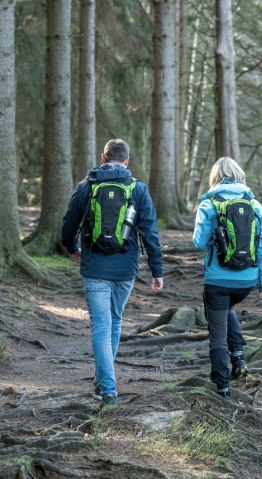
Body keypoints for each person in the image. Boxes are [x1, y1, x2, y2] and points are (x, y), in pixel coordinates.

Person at [61, 139, 163, 407]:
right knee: (114, 322)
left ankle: (107, 389)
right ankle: (105, 383)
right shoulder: (137, 189)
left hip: (94, 267)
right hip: (125, 269)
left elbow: (68, 223)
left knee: (101, 326)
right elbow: (150, 232)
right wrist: (157, 270)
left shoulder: (87, 186)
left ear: (103, 158)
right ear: (127, 161)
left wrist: (72, 248)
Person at [193, 157, 262, 400]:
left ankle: (223, 388)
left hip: (218, 280)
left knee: (216, 330)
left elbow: (198, 243)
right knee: (226, 310)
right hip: (246, 281)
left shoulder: (209, 204)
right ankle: (238, 358)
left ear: (215, 177)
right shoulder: (254, 205)